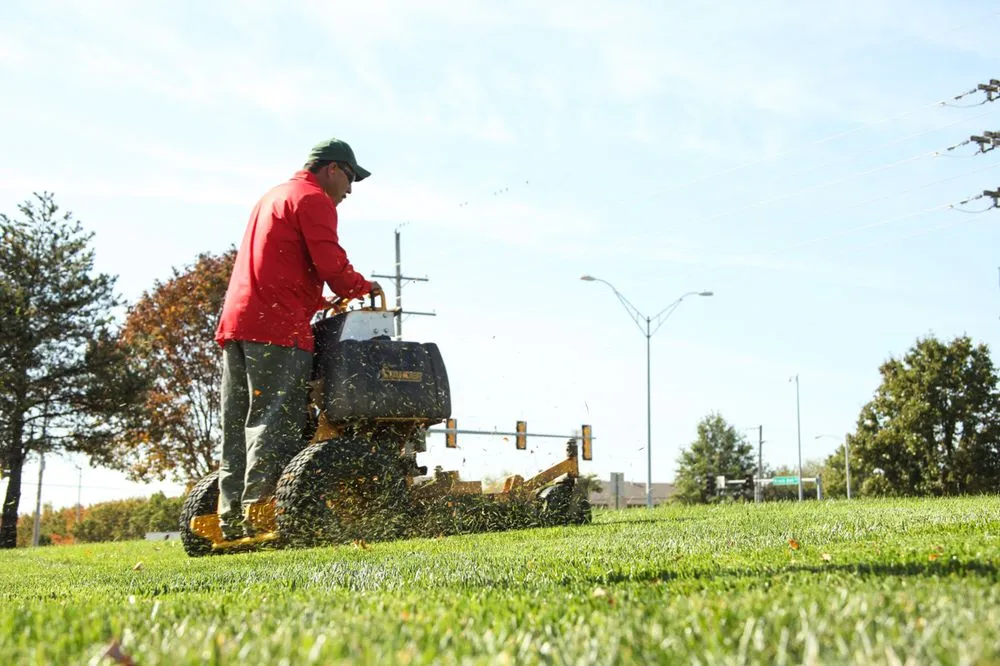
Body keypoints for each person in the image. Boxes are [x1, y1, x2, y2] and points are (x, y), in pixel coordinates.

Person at [213, 137, 382, 540]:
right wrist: (362, 287)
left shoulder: (273, 197)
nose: (351, 190)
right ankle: (262, 514)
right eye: (351, 178)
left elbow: (282, 264)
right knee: (277, 421)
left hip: (238, 323)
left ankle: (228, 517)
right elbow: (332, 264)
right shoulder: (313, 199)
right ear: (333, 169)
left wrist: (318, 299)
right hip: (278, 327)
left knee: (238, 424)